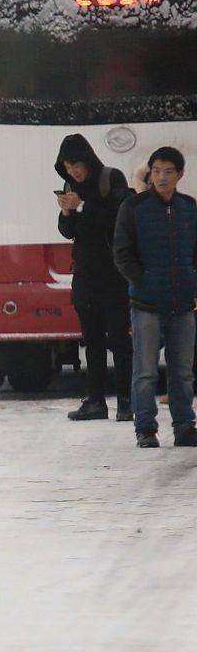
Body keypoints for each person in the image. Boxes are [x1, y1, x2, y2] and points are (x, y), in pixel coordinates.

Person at [113, 146, 197, 448]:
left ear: (180, 175)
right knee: (146, 371)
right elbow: (122, 253)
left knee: (182, 372)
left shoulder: (190, 207)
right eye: (156, 171)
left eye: (168, 171)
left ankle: (185, 426)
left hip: (184, 304)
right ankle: (145, 428)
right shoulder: (133, 208)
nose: (161, 177)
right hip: (146, 304)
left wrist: (192, 281)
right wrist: (143, 281)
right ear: (150, 173)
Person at [54, 134, 132, 421]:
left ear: (88, 160)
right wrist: (66, 212)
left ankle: (127, 401)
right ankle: (96, 401)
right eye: (67, 166)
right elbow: (69, 231)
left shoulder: (111, 179)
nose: (73, 171)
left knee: (121, 342)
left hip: (114, 276)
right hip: (86, 277)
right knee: (93, 342)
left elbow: (117, 220)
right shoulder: (71, 187)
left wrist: (83, 206)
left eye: (76, 164)